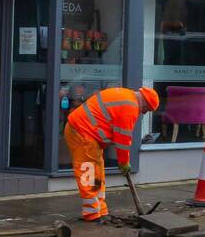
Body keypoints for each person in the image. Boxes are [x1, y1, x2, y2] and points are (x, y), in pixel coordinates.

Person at [64, 86, 160, 221]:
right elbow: (123, 141)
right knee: (89, 172)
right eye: (147, 109)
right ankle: (92, 214)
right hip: (81, 132)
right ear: (144, 102)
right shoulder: (130, 107)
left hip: (87, 133)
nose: (143, 113)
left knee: (97, 172)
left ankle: (101, 211)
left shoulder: (125, 95)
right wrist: (124, 163)